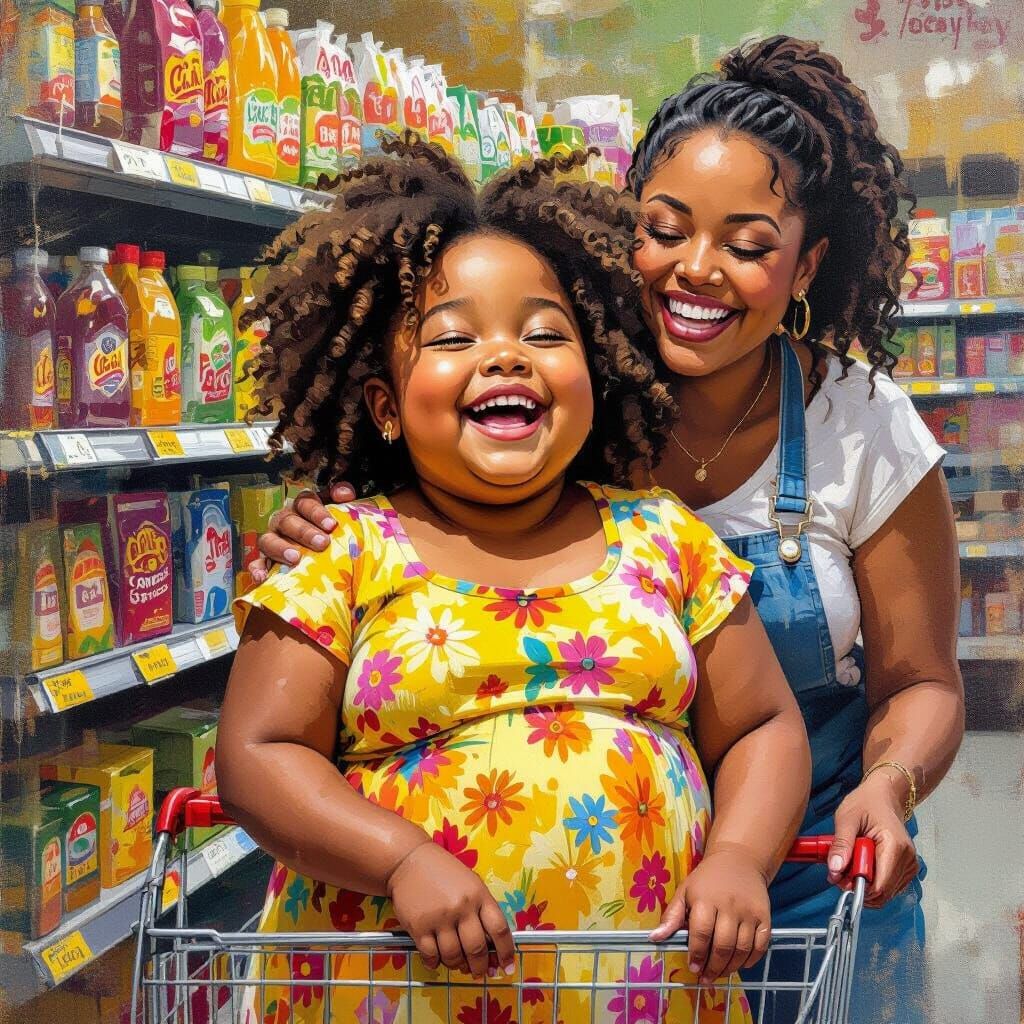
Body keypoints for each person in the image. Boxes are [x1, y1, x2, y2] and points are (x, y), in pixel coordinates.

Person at [256, 36, 965, 1024]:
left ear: (803, 263)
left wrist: (886, 786)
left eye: (748, 246)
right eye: (665, 229)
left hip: (810, 875)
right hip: (510, 951)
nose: (697, 269)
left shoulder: (859, 423)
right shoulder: (560, 389)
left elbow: (920, 679)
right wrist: (330, 513)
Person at [217, 137, 811, 1024]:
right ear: (384, 403)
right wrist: (401, 858)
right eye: (455, 337)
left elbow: (762, 724)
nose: (507, 357)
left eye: (544, 332)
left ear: (596, 372)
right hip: (390, 993)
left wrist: (737, 858)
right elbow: (259, 755)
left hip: (640, 996)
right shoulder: (341, 549)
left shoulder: (664, 538)